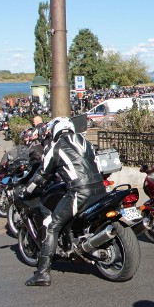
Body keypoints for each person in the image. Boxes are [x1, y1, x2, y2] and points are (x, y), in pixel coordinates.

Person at [24, 117, 107, 286]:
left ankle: (43, 274)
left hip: (79, 192)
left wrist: (28, 189)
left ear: (55, 131)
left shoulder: (56, 147)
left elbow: (41, 174)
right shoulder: (86, 142)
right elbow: (98, 166)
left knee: (52, 225)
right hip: (100, 189)